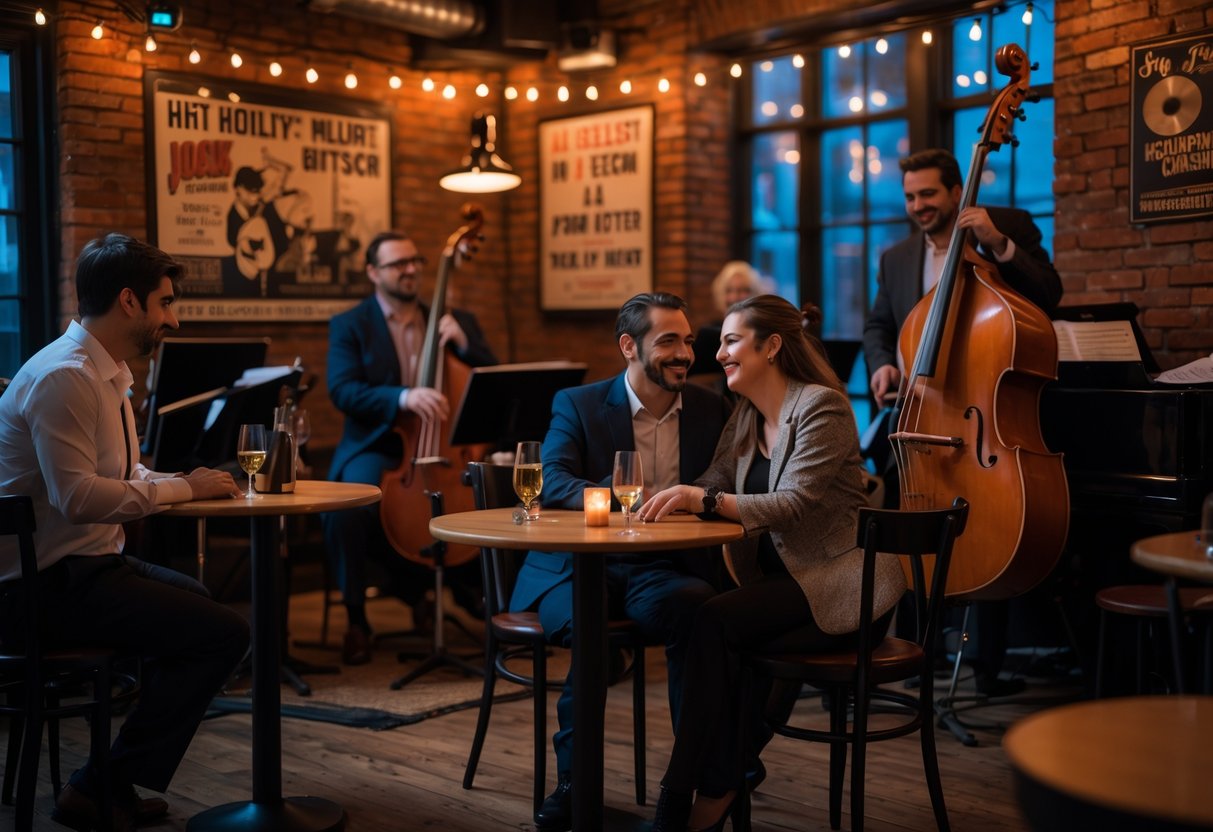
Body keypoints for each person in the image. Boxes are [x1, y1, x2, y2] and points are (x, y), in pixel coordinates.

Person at [0, 233, 251, 831]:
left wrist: (176, 479)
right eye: (166, 303)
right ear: (129, 302)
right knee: (222, 633)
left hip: (84, 569)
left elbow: (120, 474)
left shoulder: (103, 370)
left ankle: (107, 780)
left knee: (202, 611)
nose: (174, 318)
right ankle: (99, 786)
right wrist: (184, 488)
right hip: (39, 588)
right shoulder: (64, 377)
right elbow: (80, 497)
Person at [638, 294, 907, 831]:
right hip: (785, 592)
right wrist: (673, 496)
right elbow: (714, 481)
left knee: (716, 623)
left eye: (731, 341)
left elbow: (792, 503)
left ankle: (683, 794)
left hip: (844, 588)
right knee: (718, 634)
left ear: (773, 346)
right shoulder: (746, 417)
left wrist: (704, 502)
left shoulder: (821, 407)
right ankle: (723, 782)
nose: (718, 354)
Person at [510, 292, 732, 832]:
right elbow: (554, 478)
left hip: (660, 569)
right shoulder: (580, 403)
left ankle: (689, 780)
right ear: (629, 347)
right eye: (669, 342)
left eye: (689, 342)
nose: (685, 354)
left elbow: (725, 481)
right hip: (578, 565)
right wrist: (618, 497)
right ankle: (573, 783)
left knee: (699, 610)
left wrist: (695, 495)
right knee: (589, 628)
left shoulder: (711, 407)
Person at [861, 147, 1063, 697]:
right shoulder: (898, 257)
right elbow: (880, 323)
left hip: (982, 419)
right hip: (921, 419)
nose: (918, 205)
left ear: (956, 191)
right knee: (908, 539)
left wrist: (997, 243)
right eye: (909, 197)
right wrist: (882, 363)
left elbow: (1049, 296)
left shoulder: (1006, 228)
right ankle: (906, 661)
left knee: (990, 533)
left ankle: (987, 673)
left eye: (928, 194)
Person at [325, 229, 497, 666]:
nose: (410, 270)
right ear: (372, 272)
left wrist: (465, 343)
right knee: (350, 511)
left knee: (489, 498)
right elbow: (343, 391)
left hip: (445, 446)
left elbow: (492, 375)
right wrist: (402, 397)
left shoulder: (451, 319)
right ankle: (357, 619)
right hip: (381, 445)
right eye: (397, 264)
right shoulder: (351, 325)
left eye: (414, 261)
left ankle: (474, 598)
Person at [690, 261, 766, 378]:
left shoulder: (763, 333)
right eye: (729, 290)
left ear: (755, 294)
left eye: (743, 290)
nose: (735, 297)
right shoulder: (708, 336)